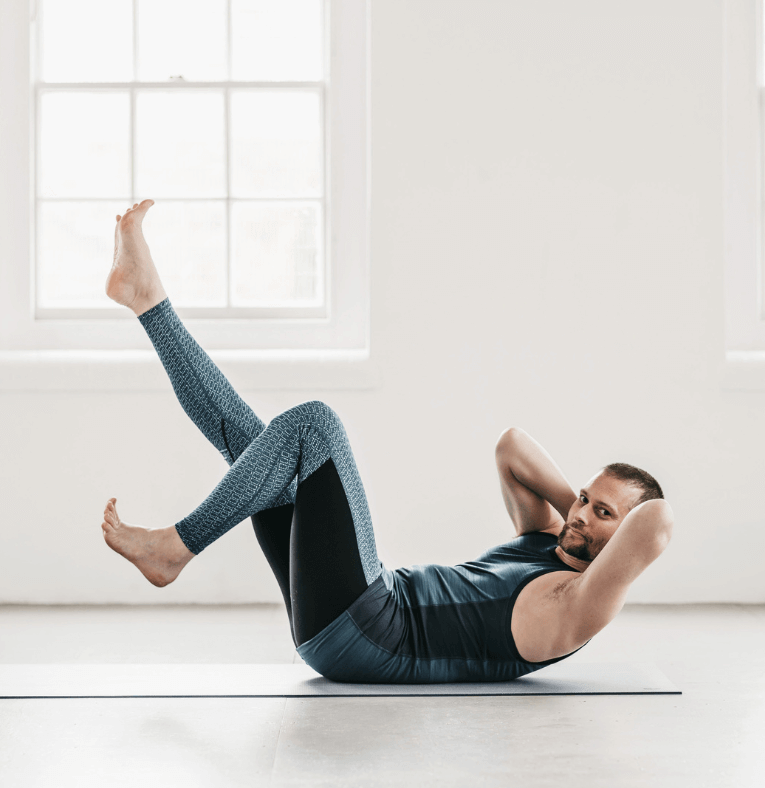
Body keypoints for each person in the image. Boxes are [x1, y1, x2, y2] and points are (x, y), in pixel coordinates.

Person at [100, 200, 675, 683]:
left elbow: (656, 524)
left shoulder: (576, 608)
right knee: (260, 449)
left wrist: (614, 523)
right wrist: (579, 510)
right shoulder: (546, 539)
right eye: (583, 498)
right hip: (350, 618)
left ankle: (177, 547)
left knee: (314, 426)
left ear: (626, 534)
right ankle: (147, 299)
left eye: (603, 513)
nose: (579, 514)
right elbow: (512, 446)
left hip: (370, 630)